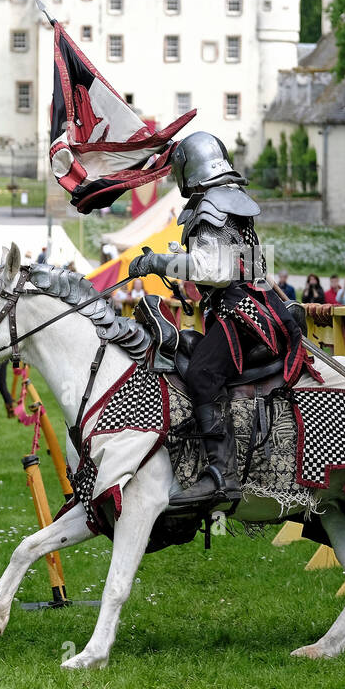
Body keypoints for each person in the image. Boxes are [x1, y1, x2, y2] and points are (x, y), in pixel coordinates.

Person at [127, 132, 309, 509]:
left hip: (238, 314)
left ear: (188, 170)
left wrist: (154, 262)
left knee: (201, 374)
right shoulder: (231, 200)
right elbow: (232, 262)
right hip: (249, 304)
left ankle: (220, 475)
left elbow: (212, 270)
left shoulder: (211, 205)